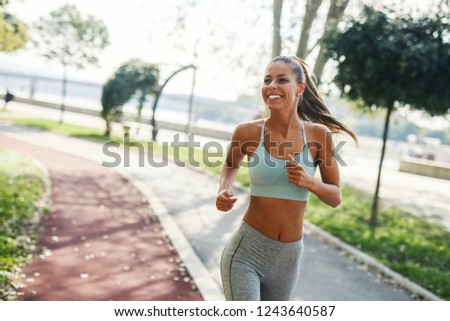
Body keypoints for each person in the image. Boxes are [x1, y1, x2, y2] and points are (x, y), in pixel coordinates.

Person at [216, 55, 357, 301]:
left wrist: (311, 183)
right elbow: (230, 165)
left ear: (300, 87)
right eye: (267, 80)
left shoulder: (318, 135)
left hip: (289, 257)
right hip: (247, 252)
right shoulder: (247, 132)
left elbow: (335, 197)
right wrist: (222, 191)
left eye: (282, 80)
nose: (271, 86)